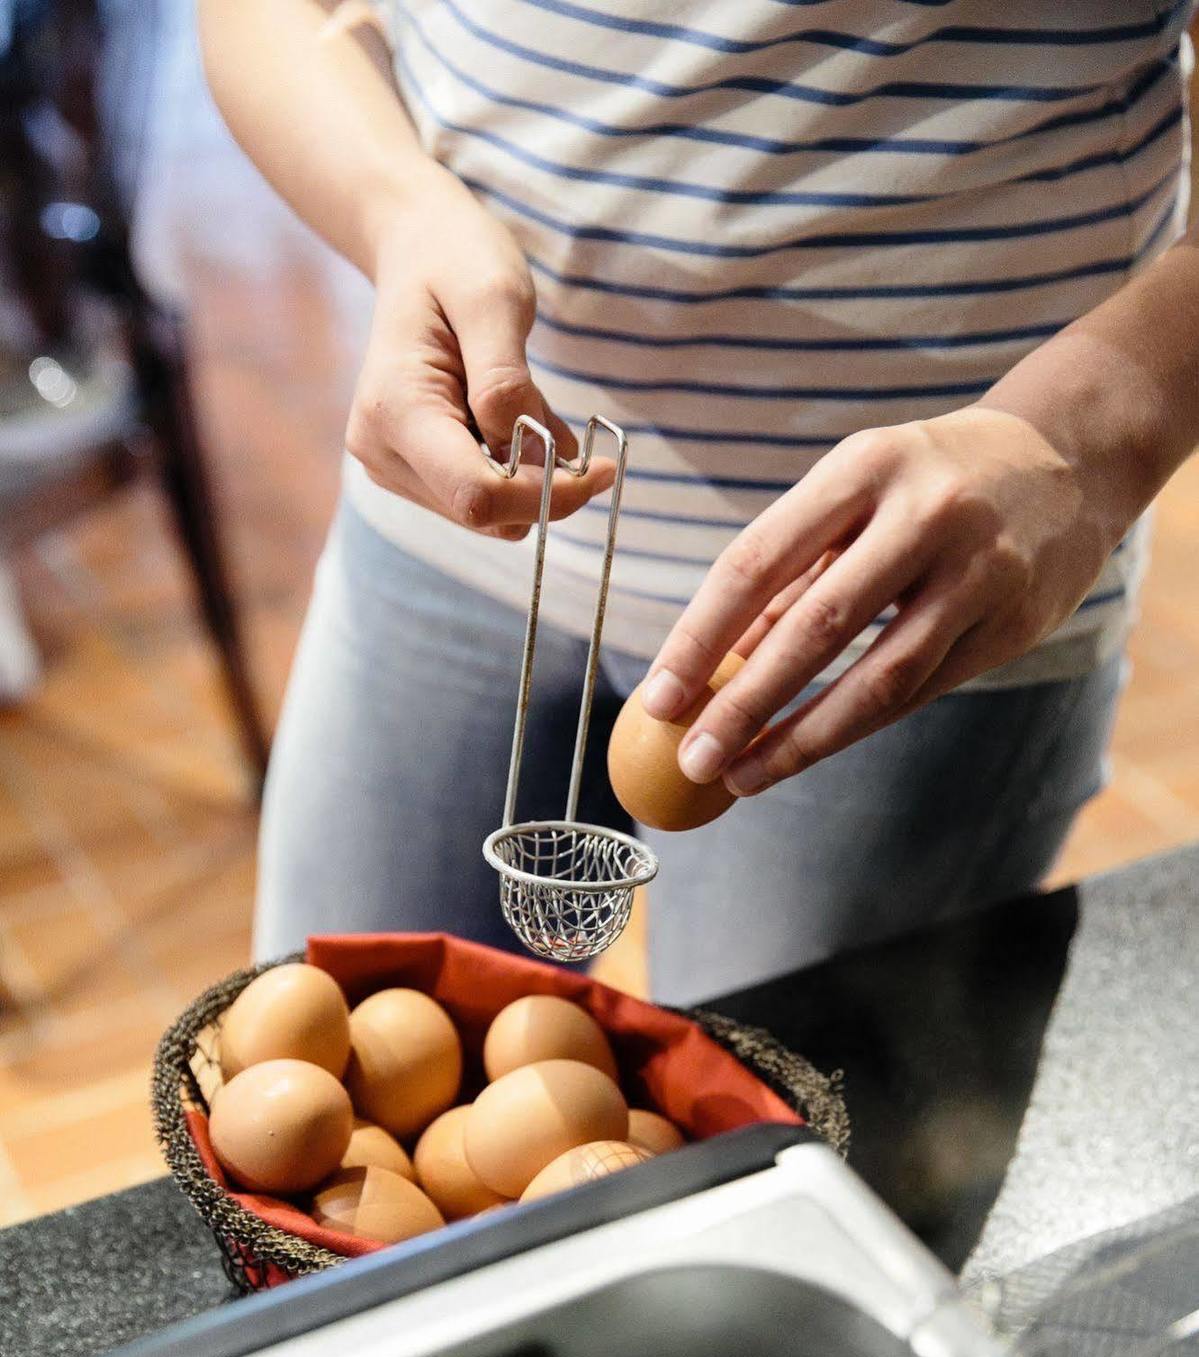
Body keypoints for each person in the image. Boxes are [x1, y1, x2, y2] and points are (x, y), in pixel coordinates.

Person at [202, 0, 1199, 1004]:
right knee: (329, 1072)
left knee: (788, 1137)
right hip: (447, 520)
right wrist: (395, 210)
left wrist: (1077, 441)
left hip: (902, 600)